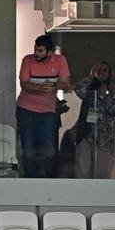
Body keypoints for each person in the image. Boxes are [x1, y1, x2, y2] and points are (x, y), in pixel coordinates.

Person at [16, 34, 70, 178]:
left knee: (49, 147)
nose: (36, 53)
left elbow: (65, 84)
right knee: (28, 146)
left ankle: (49, 179)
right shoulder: (27, 60)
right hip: (26, 109)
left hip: (48, 111)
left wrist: (54, 86)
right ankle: (30, 179)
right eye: (35, 49)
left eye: (40, 50)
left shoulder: (60, 61)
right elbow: (24, 84)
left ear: (49, 52)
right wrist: (42, 88)